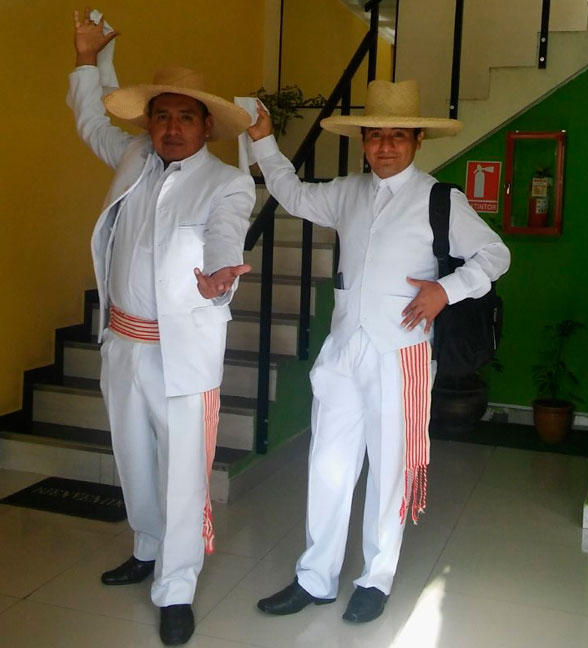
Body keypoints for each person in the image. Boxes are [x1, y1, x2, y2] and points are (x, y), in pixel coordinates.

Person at [247, 79, 510, 624]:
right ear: (363, 141)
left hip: (403, 353)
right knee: (328, 464)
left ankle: (375, 578)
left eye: (398, 135)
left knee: (390, 468)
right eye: (375, 135)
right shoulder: (347, 192)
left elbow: (494, 254)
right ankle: (315, 577)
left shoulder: (439, 200)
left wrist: (447, 290)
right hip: (345, 347)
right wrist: (263, 140)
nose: (385, 145)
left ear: (417, 140)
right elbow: (293, 194)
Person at [68, 9, 255, 646]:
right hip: (123, 344)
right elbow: (91, 120)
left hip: (183, 356)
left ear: (206, 126)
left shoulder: (227, 185)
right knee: (133, 458)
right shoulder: (133, 155)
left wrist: (221, 274)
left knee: (182, 476)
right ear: (149, 123)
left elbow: (225, 235)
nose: (172, 129)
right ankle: (147, 548)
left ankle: (176, 588)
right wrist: (87, 60)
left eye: (185, 117)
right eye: (162, 116)